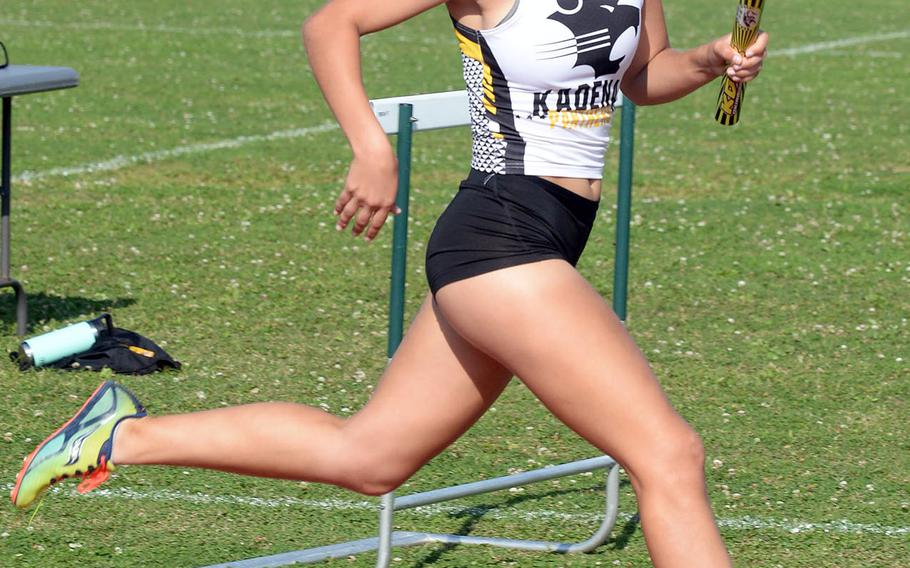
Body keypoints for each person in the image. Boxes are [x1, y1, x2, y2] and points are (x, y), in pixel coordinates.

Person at [11, 1, 767, 566]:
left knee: (369, 459)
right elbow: (330, 24)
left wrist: (707, 61)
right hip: (500, 237)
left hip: (546, 238)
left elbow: (638, 76)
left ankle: (119, 433)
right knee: (668, 456)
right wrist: (371, 146)